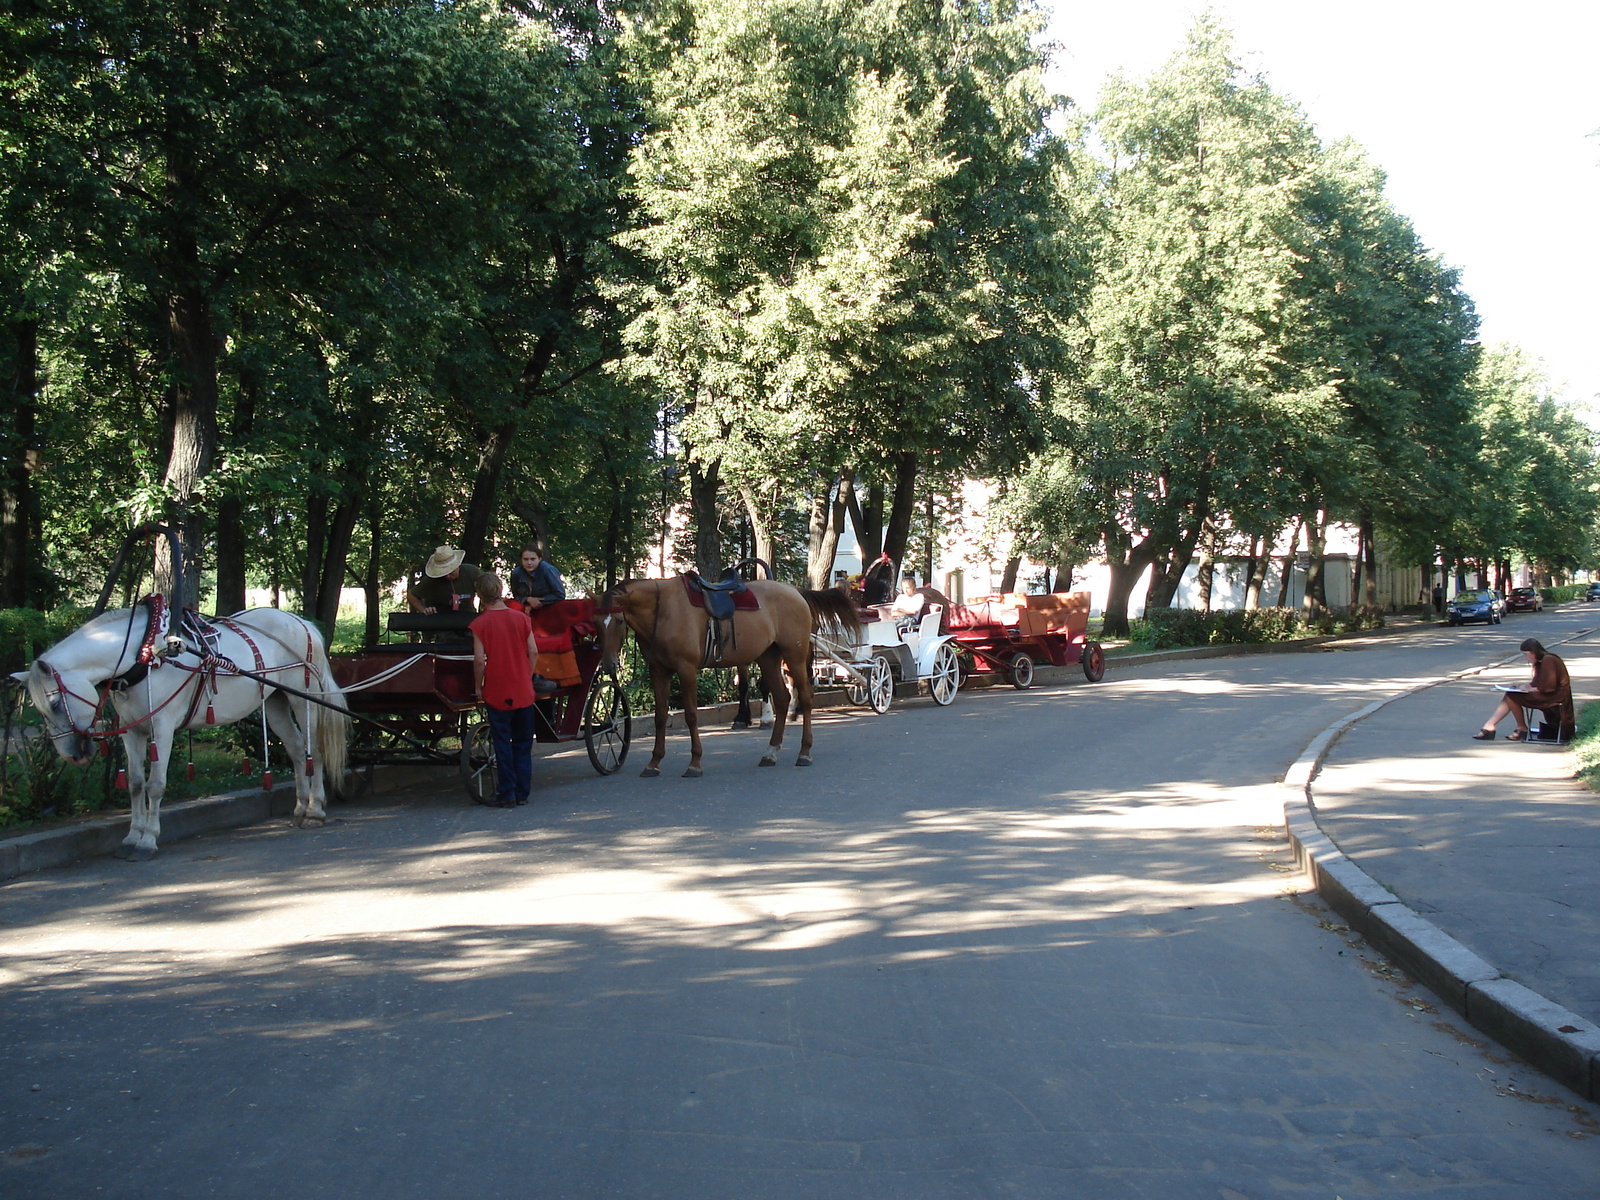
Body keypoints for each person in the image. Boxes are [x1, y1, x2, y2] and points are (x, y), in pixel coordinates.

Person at [469, 572, 538, 807]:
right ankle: (523, 793)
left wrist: (478, 686)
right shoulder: (521, 619)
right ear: (500, 589)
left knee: (502, 742)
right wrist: (526, 677)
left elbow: (479, 661)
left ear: (480, 594)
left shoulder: (479, 624)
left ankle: (506, 793)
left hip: (497, 690)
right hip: (522, 689)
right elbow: (534, 652)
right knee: (522, 742)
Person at [1473, 638, 1574, 742]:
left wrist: (1531, 689)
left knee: (1511, 696)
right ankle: (1493, 725)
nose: (1526, 658)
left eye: (1526, 654)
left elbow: (1548, 687)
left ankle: (1518, 727)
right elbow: (1537, 683)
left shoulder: (1548, 660)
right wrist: (1521, 686)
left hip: (1556, 696)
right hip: (1551, 695)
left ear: (1533, 652)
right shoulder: (1541, 662)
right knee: (1511, 694)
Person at [407, 545, 482, 614]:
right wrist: (423, 609)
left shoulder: (472, 572)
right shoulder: (431, 580)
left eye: (451, 572)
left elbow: (490, 587)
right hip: (441, 621)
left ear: (457, 566)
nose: (447, 576)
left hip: (468, 618)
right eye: (443, 573)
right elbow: (412, 595)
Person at [509, 544, 566, 611]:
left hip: (550, 609)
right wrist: (528, 599)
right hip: (526, 610)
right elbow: (516, 596)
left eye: (533, 559)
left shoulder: (548, 570)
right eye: (525, 559)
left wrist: (537, 603)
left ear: (539, 559)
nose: (529, 563)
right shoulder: (516, 573)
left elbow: (560, 594)